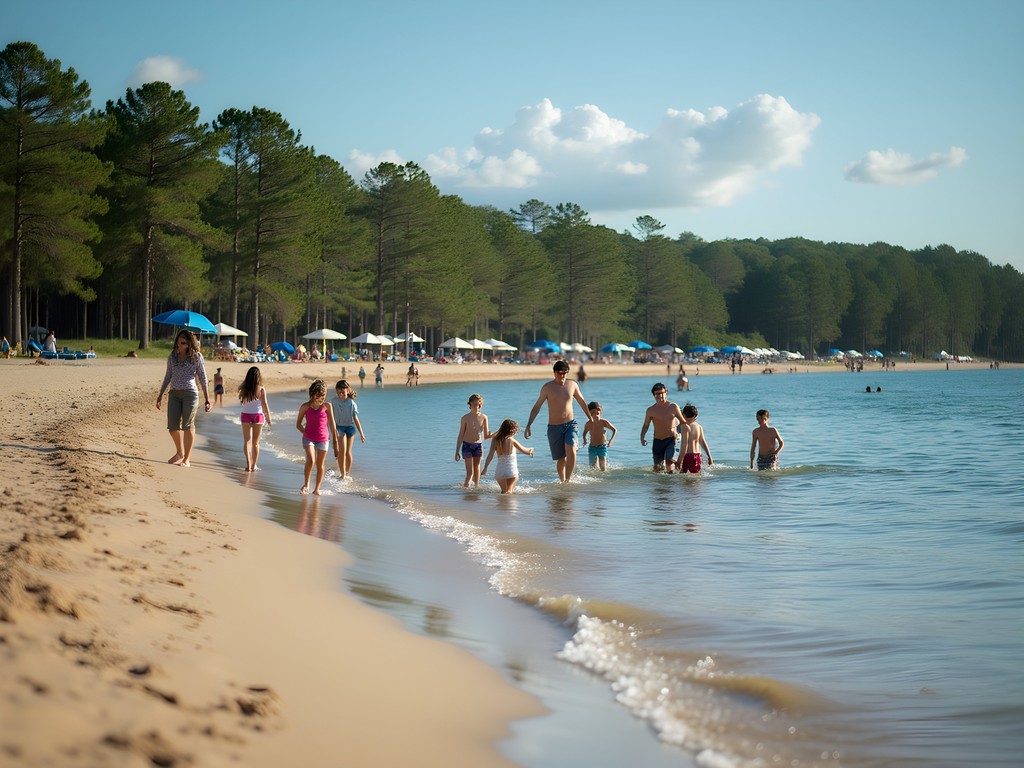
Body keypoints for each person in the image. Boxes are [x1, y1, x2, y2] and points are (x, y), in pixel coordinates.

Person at [524, 360, 597, 483]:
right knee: (561, 459)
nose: (563, 376)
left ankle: (568, 481)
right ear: (554, 373)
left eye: (565, 373)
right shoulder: (547, 387)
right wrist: (529, 424)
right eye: (560, 373)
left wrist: (590, 418)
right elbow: (537, 406)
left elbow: (582, 402)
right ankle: (562, 480)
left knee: (572, 449)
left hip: (570, 425)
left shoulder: (572, 385)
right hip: (554, 427)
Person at [156, 329, 211, 467]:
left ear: (189, 343)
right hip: (174, 394)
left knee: (188, 426)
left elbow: (203, 378)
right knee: (172, 428)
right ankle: (179, 452)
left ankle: (186, 459)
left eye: (184, 341)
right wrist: (160, 394)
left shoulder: (197, 357)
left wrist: (207, 398)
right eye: (179, 340)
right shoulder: (172, 356)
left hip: (190, 395)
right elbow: (168, 376)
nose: (180, 343)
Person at [296, 379, 338, 495]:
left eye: (324, 395)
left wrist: (335, 441)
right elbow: (298, 424)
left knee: (320, 464)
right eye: (320, 395)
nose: (322, 398)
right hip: (308, 438)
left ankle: (317, 488)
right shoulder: (305, 406)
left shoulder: (327, 406)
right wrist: (306, 433)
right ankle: (306, 485)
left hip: (323, 439)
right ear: (313, 394)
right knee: (311, 460)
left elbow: (332, 424)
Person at [640, 383, 686, 473]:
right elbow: (646, 425)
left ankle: (670, 484)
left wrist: (682, 435)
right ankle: (660, 486)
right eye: (657, 394)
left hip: (671, 439)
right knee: (658, 468)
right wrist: (642, 437)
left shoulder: (673, 407)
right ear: (654, 395)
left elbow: (683, 422)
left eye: (662, 393)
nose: (660, 396)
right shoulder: (650, 410)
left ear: (666, 392)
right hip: (658, 441)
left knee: (669, 461)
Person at [483, 419, 534, 493]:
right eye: (516, 430)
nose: (516, 432)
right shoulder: (511, 440)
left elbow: (490, 455)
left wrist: (485, 468)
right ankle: (508, 504)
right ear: (512, 430)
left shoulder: (495, 440)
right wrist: (532, 450)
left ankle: (502, 504)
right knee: (509, 491)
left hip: (499, 472)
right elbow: (525, 451)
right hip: (511, 471)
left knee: (504, 491)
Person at [455, 393, 492, 488]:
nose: (477, 406)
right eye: (475, 403)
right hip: (467, 445)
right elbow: (460, 435)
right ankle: (465, 490)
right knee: (470, 473)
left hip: (478, 446)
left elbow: (487, 435)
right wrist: (456, 452)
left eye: (479, 404)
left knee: (477, 471)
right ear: (470, 404)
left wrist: (499, 432)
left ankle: (476, 491)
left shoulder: (484, 417)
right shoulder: (465, 418)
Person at [239, 366, 272, 472]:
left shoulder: (243, 388)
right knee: (256, 443)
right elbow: (264, 404)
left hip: (246, 415)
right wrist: (269, 418)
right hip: (258, 416)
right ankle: (254, 465)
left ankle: (248, 463)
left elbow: (241, 401)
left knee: (247, 441)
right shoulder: (261, 389)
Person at [333, 379, 365, 480]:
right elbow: (329, 415)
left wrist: (361, 434)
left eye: (343, 392)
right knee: (341, 452)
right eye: (338, 392)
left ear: (347, 390)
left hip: (350, 428)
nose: (340, 394)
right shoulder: (334, 401)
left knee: (348, 452)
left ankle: (347, 473)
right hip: (339, 428)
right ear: (336, 391)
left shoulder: (352, 403)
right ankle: (342, 474)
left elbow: (356, 419)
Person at [581, 401, 617, 471]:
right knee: (592, 468)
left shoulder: (604, 422)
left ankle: (604, 480)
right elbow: (584, 433)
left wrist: (611, 441)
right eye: (593, 413)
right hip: (592, 448)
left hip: (602, 447)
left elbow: (614, 430)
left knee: (603, 468)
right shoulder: (588, 424)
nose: (595, 415)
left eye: (597, 413)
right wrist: (585, 440)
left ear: (600, 412)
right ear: (589, 414)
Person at [678, 403, 712, 474]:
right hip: (698, 456)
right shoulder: (699, 426)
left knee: (685, 481)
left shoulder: (684, 427)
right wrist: (709, 457)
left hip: (688, 456)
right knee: (696, 480)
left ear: (683, 415)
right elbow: (703, 442)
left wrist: (679, 461)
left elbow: (684, 445)